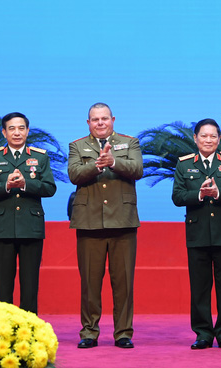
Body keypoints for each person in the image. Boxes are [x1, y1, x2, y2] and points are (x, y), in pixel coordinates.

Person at [68, 102, 143, 349]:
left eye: (104, 118)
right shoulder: (77, 146)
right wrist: (96, 164)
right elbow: (74, 175)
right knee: (90, 283)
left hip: (123, 220)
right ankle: (89, 332)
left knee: (123, 283)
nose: (100, 123)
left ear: (113, 119)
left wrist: (113, 162)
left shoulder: (129, 142)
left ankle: (123, 333)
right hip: (89, 222)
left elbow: (137, 169)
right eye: (95, 119)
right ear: (88, 123)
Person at [172, 118, 221, 350]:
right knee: (200, 287)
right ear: (195, 138)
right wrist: (200, 195)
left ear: (219, 139)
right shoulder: (184, 165)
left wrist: (218, 192)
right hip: (198, 234)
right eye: (204, 136)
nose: (208, 140)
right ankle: (203, 333)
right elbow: (177, 197)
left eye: (213, 136)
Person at [0, 112, 57, 315]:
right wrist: (5, 185)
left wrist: (25, 185)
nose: (17, 132)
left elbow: (50, 188)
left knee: (30, 285)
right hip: (3, 228)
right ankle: (3, 333)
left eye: (21, 128)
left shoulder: (40, 156)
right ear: (4, 132)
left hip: (31, 228)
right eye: (12, 128)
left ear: (28, 131)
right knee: (3, 286)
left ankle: (29, 334)